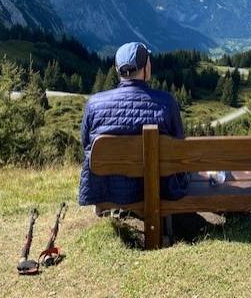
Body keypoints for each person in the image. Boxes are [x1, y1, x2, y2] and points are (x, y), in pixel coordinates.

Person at [78, 42, 189, 209]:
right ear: (146, 68)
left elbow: (87, 144)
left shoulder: (94, 104)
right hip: (161, 188)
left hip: (107, 189)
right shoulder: (166, 103)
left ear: (117, 70)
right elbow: (179, 147)